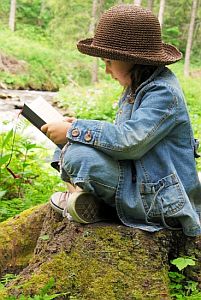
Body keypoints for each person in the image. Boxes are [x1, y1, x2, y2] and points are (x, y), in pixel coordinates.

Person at [41, 4, 201, 236]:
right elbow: (124, 135)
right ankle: (84, 199)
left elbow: (129, 143)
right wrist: (76, 127)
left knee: (76, 154)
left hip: (160, 200)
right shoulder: (137, 83)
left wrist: (75, 129)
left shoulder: (163, 93)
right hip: (140, 181)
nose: (107, 70)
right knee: (65, 148)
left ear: (132, 59)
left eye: (108, 62)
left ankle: (89, 201)